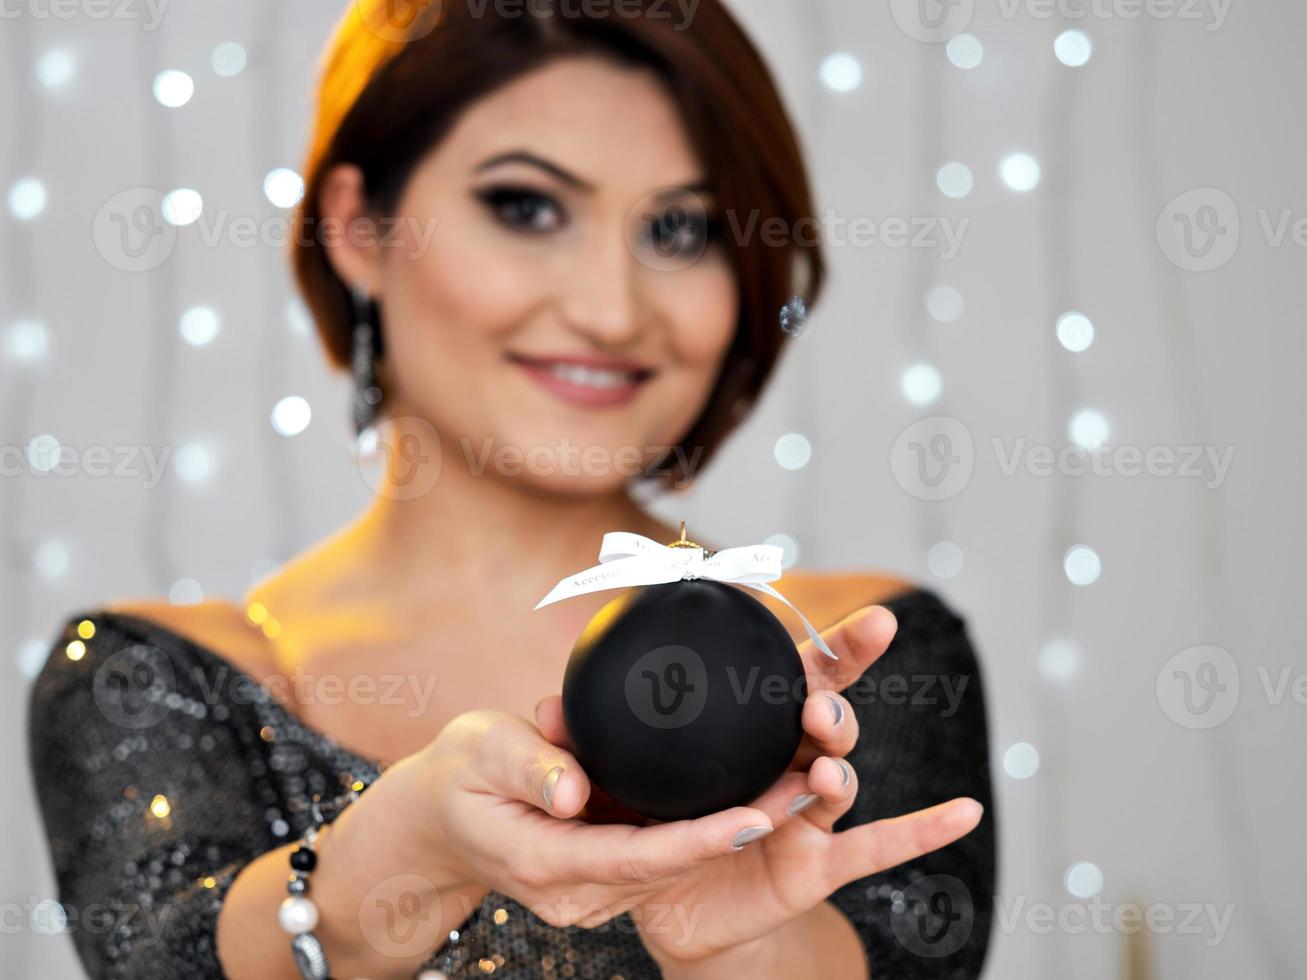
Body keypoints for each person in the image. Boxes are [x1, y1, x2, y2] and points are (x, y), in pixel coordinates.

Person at [28, 1, 996, 977]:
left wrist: (738, 936)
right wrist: (392, 863)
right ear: (358, 226)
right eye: (526, 207)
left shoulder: (858, 659)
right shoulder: (159, 679)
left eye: (680, 227)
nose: (610, 308)